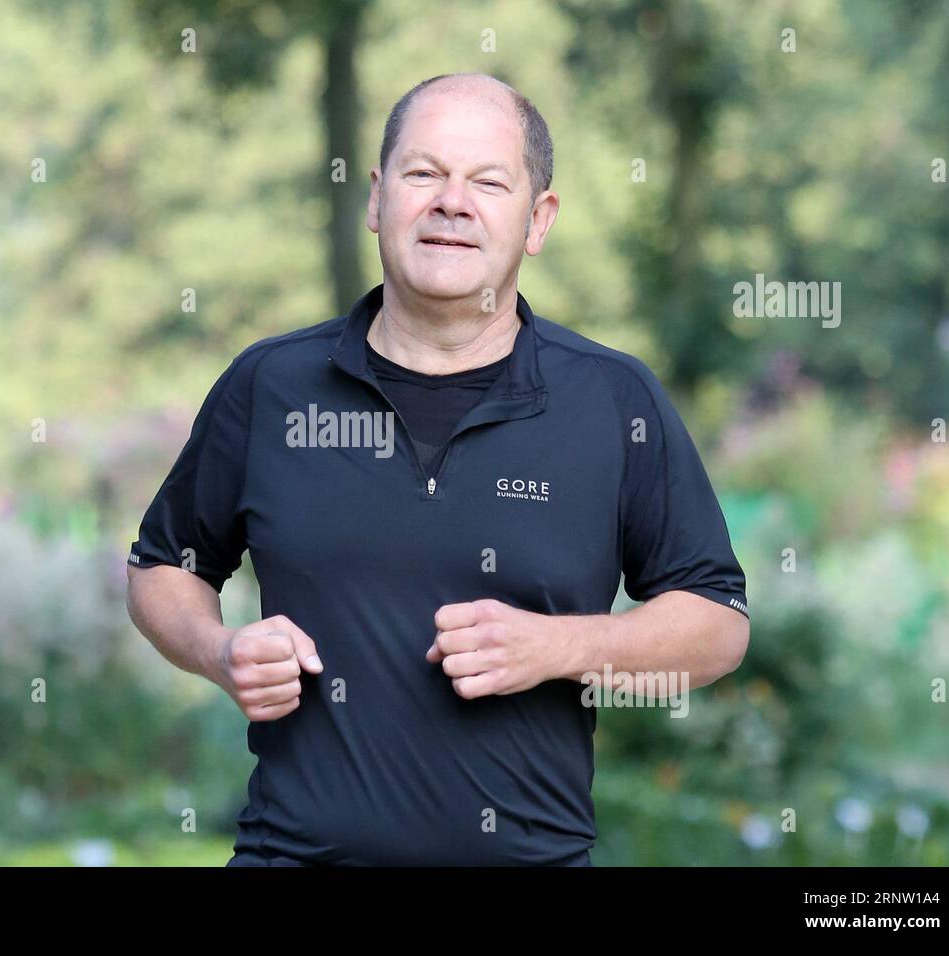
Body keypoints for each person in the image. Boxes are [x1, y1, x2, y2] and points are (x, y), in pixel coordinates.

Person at [126, 72, 749, 866]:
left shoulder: (612, 400)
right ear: (378, 197)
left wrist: (556, 648)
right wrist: (220, 653)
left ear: (538, 219)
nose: (452, 202)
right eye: (424, 174)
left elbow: (718, 622)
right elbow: (160, 570)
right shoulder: (270, 386)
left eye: (488, 182)